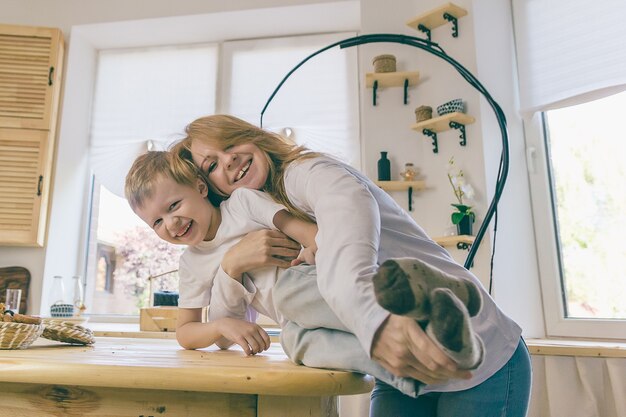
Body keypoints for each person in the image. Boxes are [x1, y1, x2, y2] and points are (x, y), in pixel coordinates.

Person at [173, 114, 532, 417]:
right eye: (212, 165)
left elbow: (346, 239)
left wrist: (373, 321)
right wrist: (231, 265)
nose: (229, 161)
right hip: (400, 367)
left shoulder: (309, 173)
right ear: (211, 187)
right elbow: (240, 322)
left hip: (479, 353)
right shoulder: (246, 222)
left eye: (230, 145)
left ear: (253, 138)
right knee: (295, 335)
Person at [124, 150, 484, 398]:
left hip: (311, 280)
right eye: (156, 221)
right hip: (295, 318)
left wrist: (317, 250)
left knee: (288, 295)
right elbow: (186, 333)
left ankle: (430, 285)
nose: (170, 223)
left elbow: (300, 228)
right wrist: (221, 327)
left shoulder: (244, 204)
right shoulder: (190, 264)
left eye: (174, 206)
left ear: (200, 188)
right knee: (294, 342)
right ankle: (409, 370)